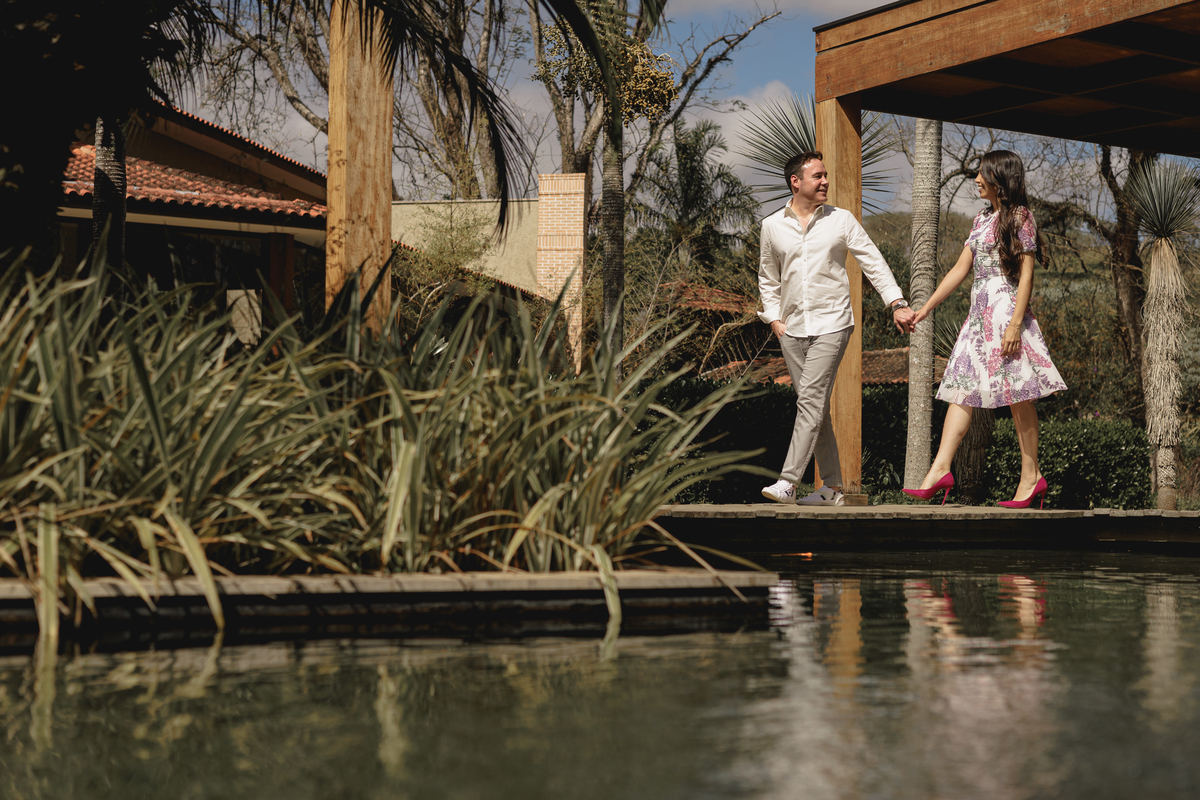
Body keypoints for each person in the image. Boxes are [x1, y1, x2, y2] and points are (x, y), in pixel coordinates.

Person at [904, 150, 1066, 508]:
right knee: (961, 390)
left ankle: (1031, 476)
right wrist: (925, 309)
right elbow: (960, 269)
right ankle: (939, 469)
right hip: (978, 318)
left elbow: (1027, 275)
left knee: (1019, 395)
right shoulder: (980, 219)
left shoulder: (1021, 217)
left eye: (983, 174)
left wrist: (1015, 325)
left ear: (1000, 179)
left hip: (1007, 313)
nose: (976, 179)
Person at [759, 151, 916, 506]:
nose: (825, 181)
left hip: (832, 323)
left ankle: (788, 482)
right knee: (813, 406)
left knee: (810, 401)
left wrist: (897, 302)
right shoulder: (772, 226)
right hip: (791, 329)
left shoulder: (841, 220)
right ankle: (831, 489)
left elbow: (873, 262)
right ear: (796, 182)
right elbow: (768, 277)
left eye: (826, 175)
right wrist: (774, 319)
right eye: (818, 176)